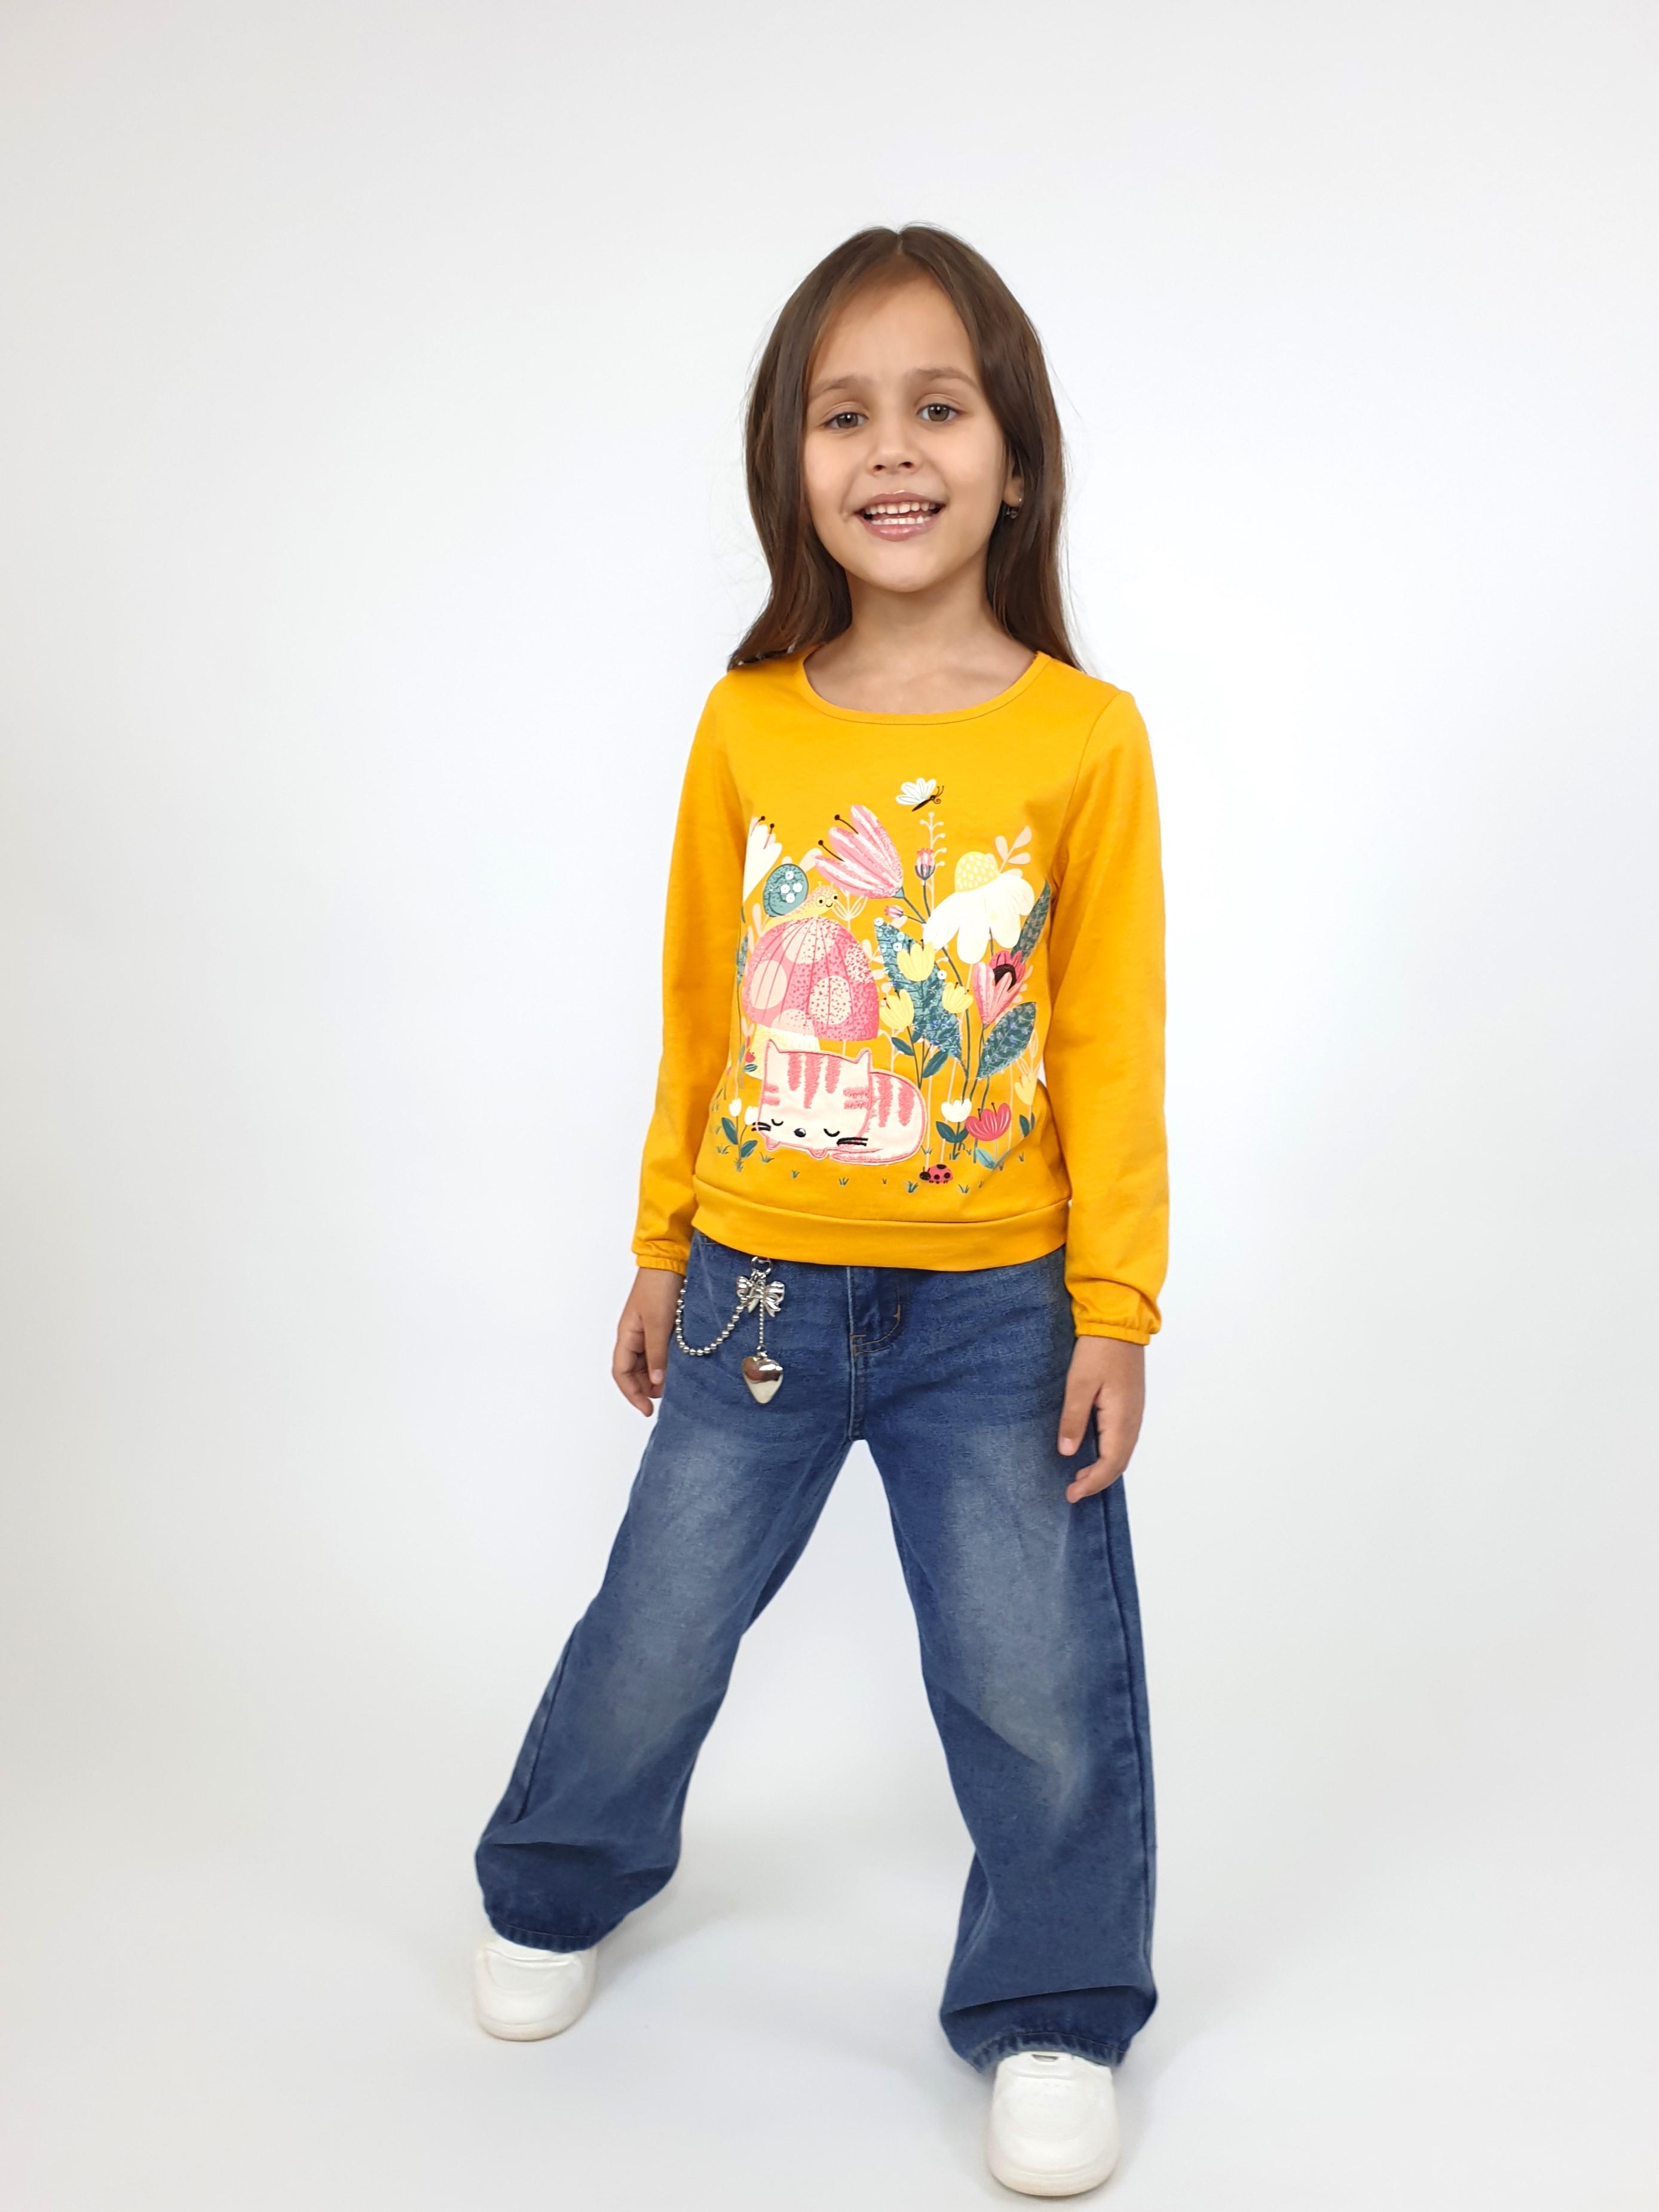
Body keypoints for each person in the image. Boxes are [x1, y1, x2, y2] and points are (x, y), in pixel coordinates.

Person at [472, 223, 1167, 2199]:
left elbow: (1111, 1042)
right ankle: (555, 1879)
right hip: (755, 1289)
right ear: (791, 461)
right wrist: (661, 1243)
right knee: (658, 1624)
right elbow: (702, 1003)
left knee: (1033, 1681)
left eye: (938, 407)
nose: (893, 450)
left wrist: (1116, 1301)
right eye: (843, 414)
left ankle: (1052, 2006)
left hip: (1000, 1310)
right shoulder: (751, 721)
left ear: (1014, 459)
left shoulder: (1084, 737)